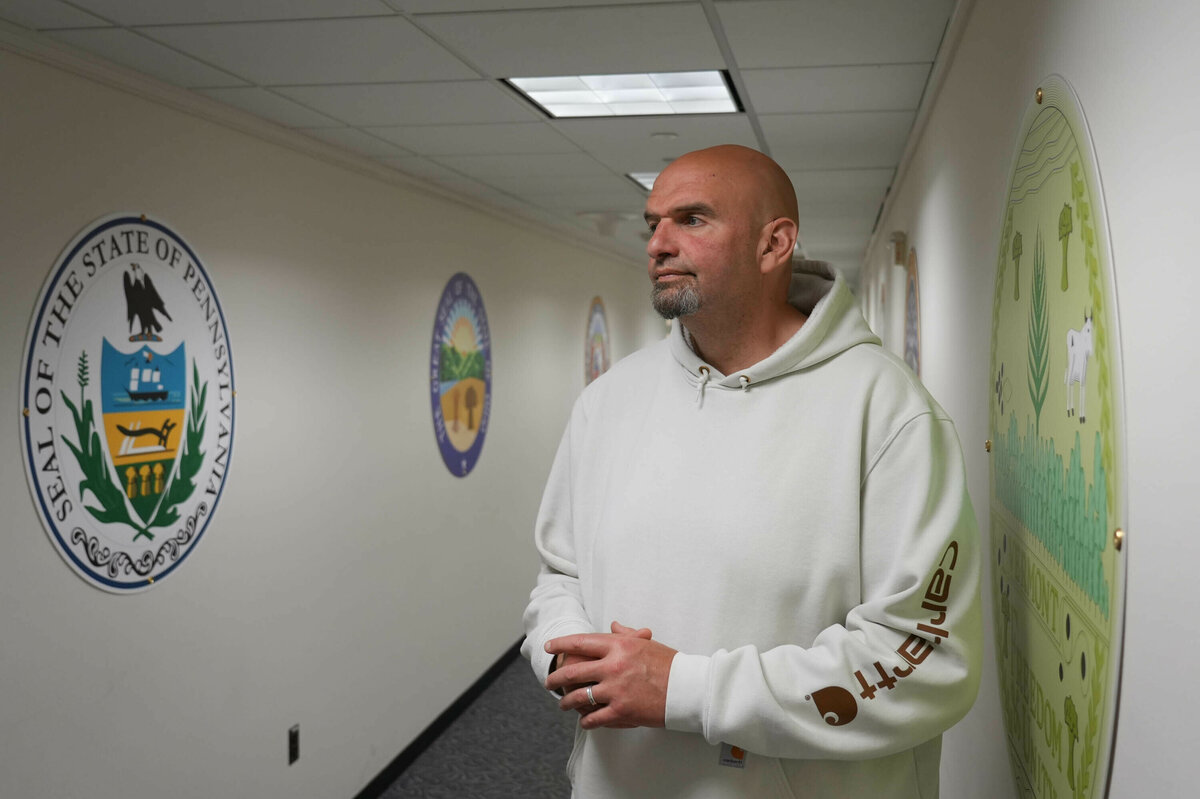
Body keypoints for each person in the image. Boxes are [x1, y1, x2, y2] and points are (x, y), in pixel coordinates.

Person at [521, 145, 981, 798]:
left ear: (775, 243)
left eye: (692, 219)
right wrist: (567, 651)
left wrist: (686, 688)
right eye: (653, 223)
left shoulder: (887, 411)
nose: (658, 243)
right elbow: (560, 573)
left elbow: (924, 660)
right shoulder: (609, 400)